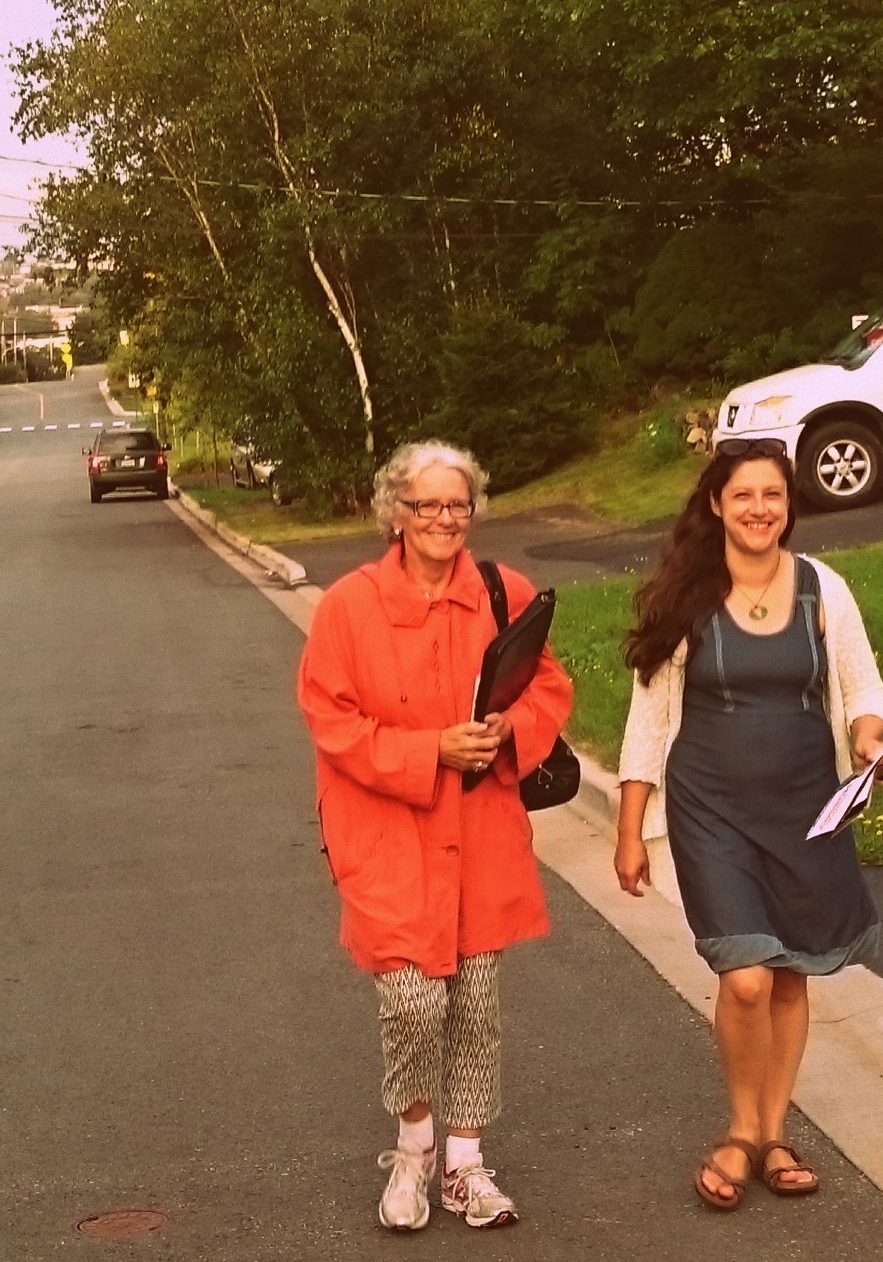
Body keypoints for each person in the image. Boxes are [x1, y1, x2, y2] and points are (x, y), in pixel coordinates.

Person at [296, 441, 573, 1232]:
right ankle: (414, 1151)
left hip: (481, 833)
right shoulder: (348, 606)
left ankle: (466, 1166)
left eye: (458, 505)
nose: (444, 520)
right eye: (427, 506)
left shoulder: (502, 589)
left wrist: (508, 731)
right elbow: (331, 719)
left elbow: (548, 683)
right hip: (388, 835)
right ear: (396, 512)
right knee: (413, 1002)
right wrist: (430, 752)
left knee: (477, 1003)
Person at [613, 437, 883, 1212]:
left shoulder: (822, 590)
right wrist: (630, 827)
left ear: (788, 504)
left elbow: (863, 686)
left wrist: (869, 738)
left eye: (773, 494)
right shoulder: (686, 596)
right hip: (712, 811)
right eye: (743, 495)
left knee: (791, 970)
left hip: (806, 808)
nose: (759, 508)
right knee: (745, 979)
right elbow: (648, 721)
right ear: (716, 504)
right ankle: (740, 1128)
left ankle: (773, 1134)